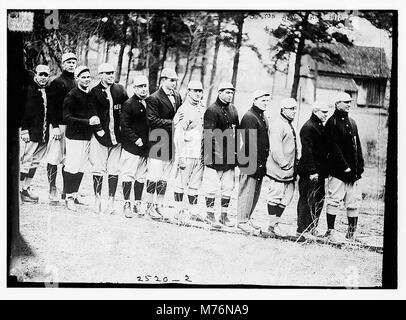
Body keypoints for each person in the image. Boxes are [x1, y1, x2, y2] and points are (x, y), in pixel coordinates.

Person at [324, 92, 364, 242]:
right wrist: (345, 168)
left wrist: (359, 166)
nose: (349, 104)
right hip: (337, 172)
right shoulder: (332, 123)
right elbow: (333, 148)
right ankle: (330, 232)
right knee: (334, 200)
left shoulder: (352, 122)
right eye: (345, 102)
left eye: (350, 102)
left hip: (353, 174)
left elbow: (357, 146)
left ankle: (351, 233)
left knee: (353, 202)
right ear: (337, 103)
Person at [89, 63, 128, 214]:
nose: (111, 75)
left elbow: (127, 109)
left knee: (114, 169)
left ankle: (111, 200)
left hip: (117, 138)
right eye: (108, 73)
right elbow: (91, 113)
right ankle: (97, 198)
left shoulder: (120, 89)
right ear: (101, 75)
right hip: (101, 137)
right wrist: (98, 131)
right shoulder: (94, 92)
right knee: (98, 168)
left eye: (113, 73)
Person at [144, 68, 182, 219]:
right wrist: (172, 123)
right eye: (171, 80)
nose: (174, 84)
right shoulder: (154, 98)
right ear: (163, 80)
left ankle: (159, 205)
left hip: (171, 142)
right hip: (158, 140)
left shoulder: (177, 96)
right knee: (154, 175)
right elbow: (151, 120)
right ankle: (149, 206)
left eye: (175, 81)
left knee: (165, 177)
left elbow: (180, 115)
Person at [202, 82, 239, 228]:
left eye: (231, 93)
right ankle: (209, 214)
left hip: (229, 155)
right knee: (211, 186)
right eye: (227, 92)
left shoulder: (234, 109)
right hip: (214, 154)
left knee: (228, 186)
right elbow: (209, 135)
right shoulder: (211, 110)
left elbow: (237, 133)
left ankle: (224, 215)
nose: (230, 95)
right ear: (219, 93)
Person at [62, 66, 99, 211]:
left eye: (88, 77)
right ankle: (68, 197)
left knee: (82, 166)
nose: (86, 79)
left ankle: (75, 194)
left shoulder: (90, 94)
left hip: (87, 136)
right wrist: (87, 122)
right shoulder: (72, 95)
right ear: (77, 78)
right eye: (83, 77)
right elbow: (67, 117)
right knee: (72, 166)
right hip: (74, 136)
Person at [236, 90, 270, 234]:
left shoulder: (262, 116)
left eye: (267, 100)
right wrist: (257, 163)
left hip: (259, 161)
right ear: (254, 100)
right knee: (247, 191)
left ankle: (247, 217)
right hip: (249, 160)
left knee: (255, 192)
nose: (265, 103)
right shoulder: (250, 117)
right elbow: (249, 142)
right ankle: (242, 221)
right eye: (263, 100)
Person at [46, 52, 77, 204]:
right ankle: (52, 188)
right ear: (63, 64)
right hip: (59, 126)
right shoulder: (57, 82)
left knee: (68, 160)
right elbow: (51, 108)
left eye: (73, 62)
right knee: (54, 158)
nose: (71, 65)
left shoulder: (77, 82)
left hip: (73, 128)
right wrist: (55, 126)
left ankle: (66, 191)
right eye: (69, 62)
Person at [172, 80, 205, 222]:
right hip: (186, 152)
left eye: (200, 91)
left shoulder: (202, 108)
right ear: (188, 92)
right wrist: (180, 156)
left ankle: (193, 211)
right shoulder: (183, 109)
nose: (198, 94)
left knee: (195, 184)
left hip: (199, 152)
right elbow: (178, 135)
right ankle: (178, 210)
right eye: (195, 91)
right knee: (181, 182)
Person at [296, 101, 329, 240]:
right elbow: (307, 152)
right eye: (323, 112)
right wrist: (312, 171)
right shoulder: (309, 127)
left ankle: (311, 227)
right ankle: (302, 230)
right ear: (315, 111)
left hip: (319, 171)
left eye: (327, 112)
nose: (326, 115)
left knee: (318, 199)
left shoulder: (319, 126)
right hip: (310, 172)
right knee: (307, 199)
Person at [265, 97, 299, 237]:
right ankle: (272, 226)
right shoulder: (278, 125)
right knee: (275, 196)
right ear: (283, 110)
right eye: (291, 109)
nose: (294, 112)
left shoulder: (289, 124)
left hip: (289, 171)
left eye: (294, 109)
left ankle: (275, 224)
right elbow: (275, 148)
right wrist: (283, 164)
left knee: (287, 197)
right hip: (278, 170)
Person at [19, 65, 51, 202]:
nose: (43, 77)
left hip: (43, 134)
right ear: (36, 75)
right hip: (30, 133)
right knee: (25, 161)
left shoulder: (47, 91)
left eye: (46, 75)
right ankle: (19, 190)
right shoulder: (28, 90)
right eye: (41, 74)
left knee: (35, 162)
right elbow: (22, 112)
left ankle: (26, 188)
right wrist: (25, 129)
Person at [120, 75, 150, 218]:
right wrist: (135, 139)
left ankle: (138, 203)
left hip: (145, 148)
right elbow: (124, 126)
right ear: (134, 88)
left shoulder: (149, 103)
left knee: (141, 177)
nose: (143, 89)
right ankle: (126, 203)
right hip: (131, 147)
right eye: (140, 87)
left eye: (145, 86)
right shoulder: (128, 104)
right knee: (128, 174)